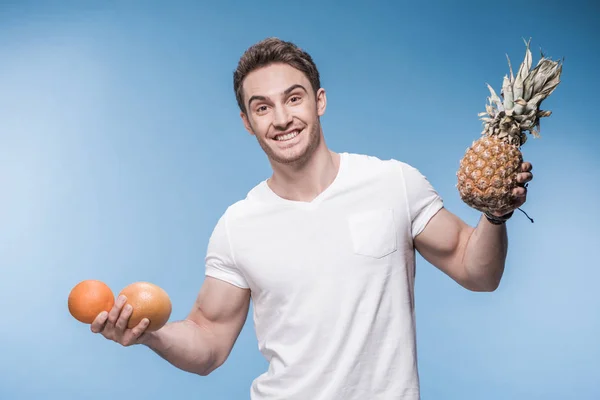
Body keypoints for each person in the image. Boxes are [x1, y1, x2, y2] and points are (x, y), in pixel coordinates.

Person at [91, 37, 533, 399]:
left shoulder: (393, 183)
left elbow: (478, 272)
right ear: (247, 122)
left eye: (294, 98)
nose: (282, 119)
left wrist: (497, 215)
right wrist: (149, 335)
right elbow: (207, 341)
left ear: (319, 101)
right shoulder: (237, 225)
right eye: (262, 107)